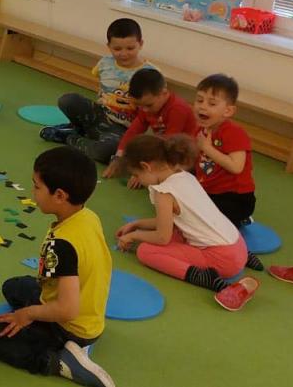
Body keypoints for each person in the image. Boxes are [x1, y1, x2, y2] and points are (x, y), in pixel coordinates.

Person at [0, 146, 115, 387]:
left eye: (37, 187)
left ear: (59, 195)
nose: (33, 192)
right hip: (87, 313)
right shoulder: (88, 216)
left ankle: (58, 361)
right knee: (13, 287)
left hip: (70, 326)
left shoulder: (61, 245)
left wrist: (27, 314)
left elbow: (67, 310)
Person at [114, 135, 260, 311]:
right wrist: (137, 224)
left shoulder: (163, 192)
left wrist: (134, 236)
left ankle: (202, 277)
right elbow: (170, 222)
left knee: (145, 251)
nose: (138, 180)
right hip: (238, 246)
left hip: (223, 259)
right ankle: (245, 258)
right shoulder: (184, 176)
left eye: (136, 175)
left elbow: (162, 237)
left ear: (146, 167)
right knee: (178, 232)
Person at [43, 18, 154, 164]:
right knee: (67, 100)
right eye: (117, 49)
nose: (124, 54)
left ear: (141, 44)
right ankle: (79, 129)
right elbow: (102, 88)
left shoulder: (151, 73)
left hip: (123, 130)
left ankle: (69, 138)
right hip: (100, 115)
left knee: (105, 152)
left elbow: (151, 109)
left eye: (130, 48)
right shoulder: (105, 63)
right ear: (109, 46)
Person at [192, 73, 266, 272]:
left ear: (228, 111)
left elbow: (236, 166)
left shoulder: (234, 132)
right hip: (210, 192)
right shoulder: (200, 130)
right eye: (199, 100)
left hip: (236, 198)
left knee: (207, 228)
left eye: (211, 103)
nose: (202, 106)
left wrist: (207, 148)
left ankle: (243, 250)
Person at [103, 69, 199, 188]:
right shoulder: (146, 107)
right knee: (115, 153)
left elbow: (169, 146)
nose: (145, 110)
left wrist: (143, 171)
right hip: (163, 150)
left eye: (149, 105)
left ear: (164, 93)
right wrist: (117, 157)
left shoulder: (178, 109)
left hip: (183, 158)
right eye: (140, 106)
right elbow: (133, 132)